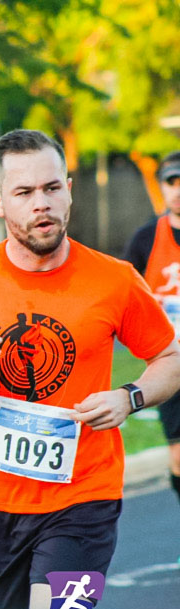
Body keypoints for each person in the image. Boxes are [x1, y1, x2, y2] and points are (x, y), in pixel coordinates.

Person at [0, 129, 180, 609]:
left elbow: (169, 357)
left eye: (52, 188)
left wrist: (130, 397)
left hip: (86, 495)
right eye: (25, 193)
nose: (43, 204)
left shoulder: (114, 279)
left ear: (69, 189)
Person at [123, 152, 180, 556]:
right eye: (172, 182)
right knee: (179, 456)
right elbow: (124, 295)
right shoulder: (146, 239)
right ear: (162, 187)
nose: (178, 191)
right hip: (170, 364)